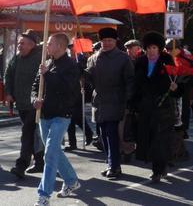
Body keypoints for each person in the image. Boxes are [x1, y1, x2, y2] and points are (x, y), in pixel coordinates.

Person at [31, 33, 81, 206]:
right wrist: (34, 100)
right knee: (54, 152)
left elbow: (67, 88)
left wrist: (48, 75)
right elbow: (36, 86)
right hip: (44, 115)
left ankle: (44, 195)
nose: (47, 46)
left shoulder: (71, 66)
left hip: (61, 116)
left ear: (60, 46)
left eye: (49, 43)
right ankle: (71, 181)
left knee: (50, 155)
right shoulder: (47, 63)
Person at [86, 27, 134, 180]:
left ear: (115, 41)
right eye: (104, 40)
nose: (106, 43)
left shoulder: (123, 58)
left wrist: (127, 100)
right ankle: (110, 162)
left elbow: (130, 81)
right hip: (99, 101)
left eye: (110, 40)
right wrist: (81, 71)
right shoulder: (93, 58)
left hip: (116, 100)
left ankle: (114, 166)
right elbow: (89, 78)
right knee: (102, 134)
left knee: (111, 134)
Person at [132, 32, 179, 183]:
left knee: (160, 139)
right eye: (148, 48)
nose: (151, 50)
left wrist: (175, 88)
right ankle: (157, 166)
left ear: (159, 48)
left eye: (154, 47)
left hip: (163, 107)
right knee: (149, 138)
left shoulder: (167, 61)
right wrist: (134, 104)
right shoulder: (140, 62)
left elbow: (178, 84)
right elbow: (135, 86)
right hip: (146, 107)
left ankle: (158, 170)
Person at [4, 29, 44, 179]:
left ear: (32, 45)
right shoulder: (17, 58)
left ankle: (21, 165)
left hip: (35, 104)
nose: (19, 45)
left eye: (23, 43)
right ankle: (40, 162)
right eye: (19, 42)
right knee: (33, 134)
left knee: (26, 133)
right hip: (21, 103)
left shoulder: (41, 59)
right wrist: (8, 92)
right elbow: (8, 74)